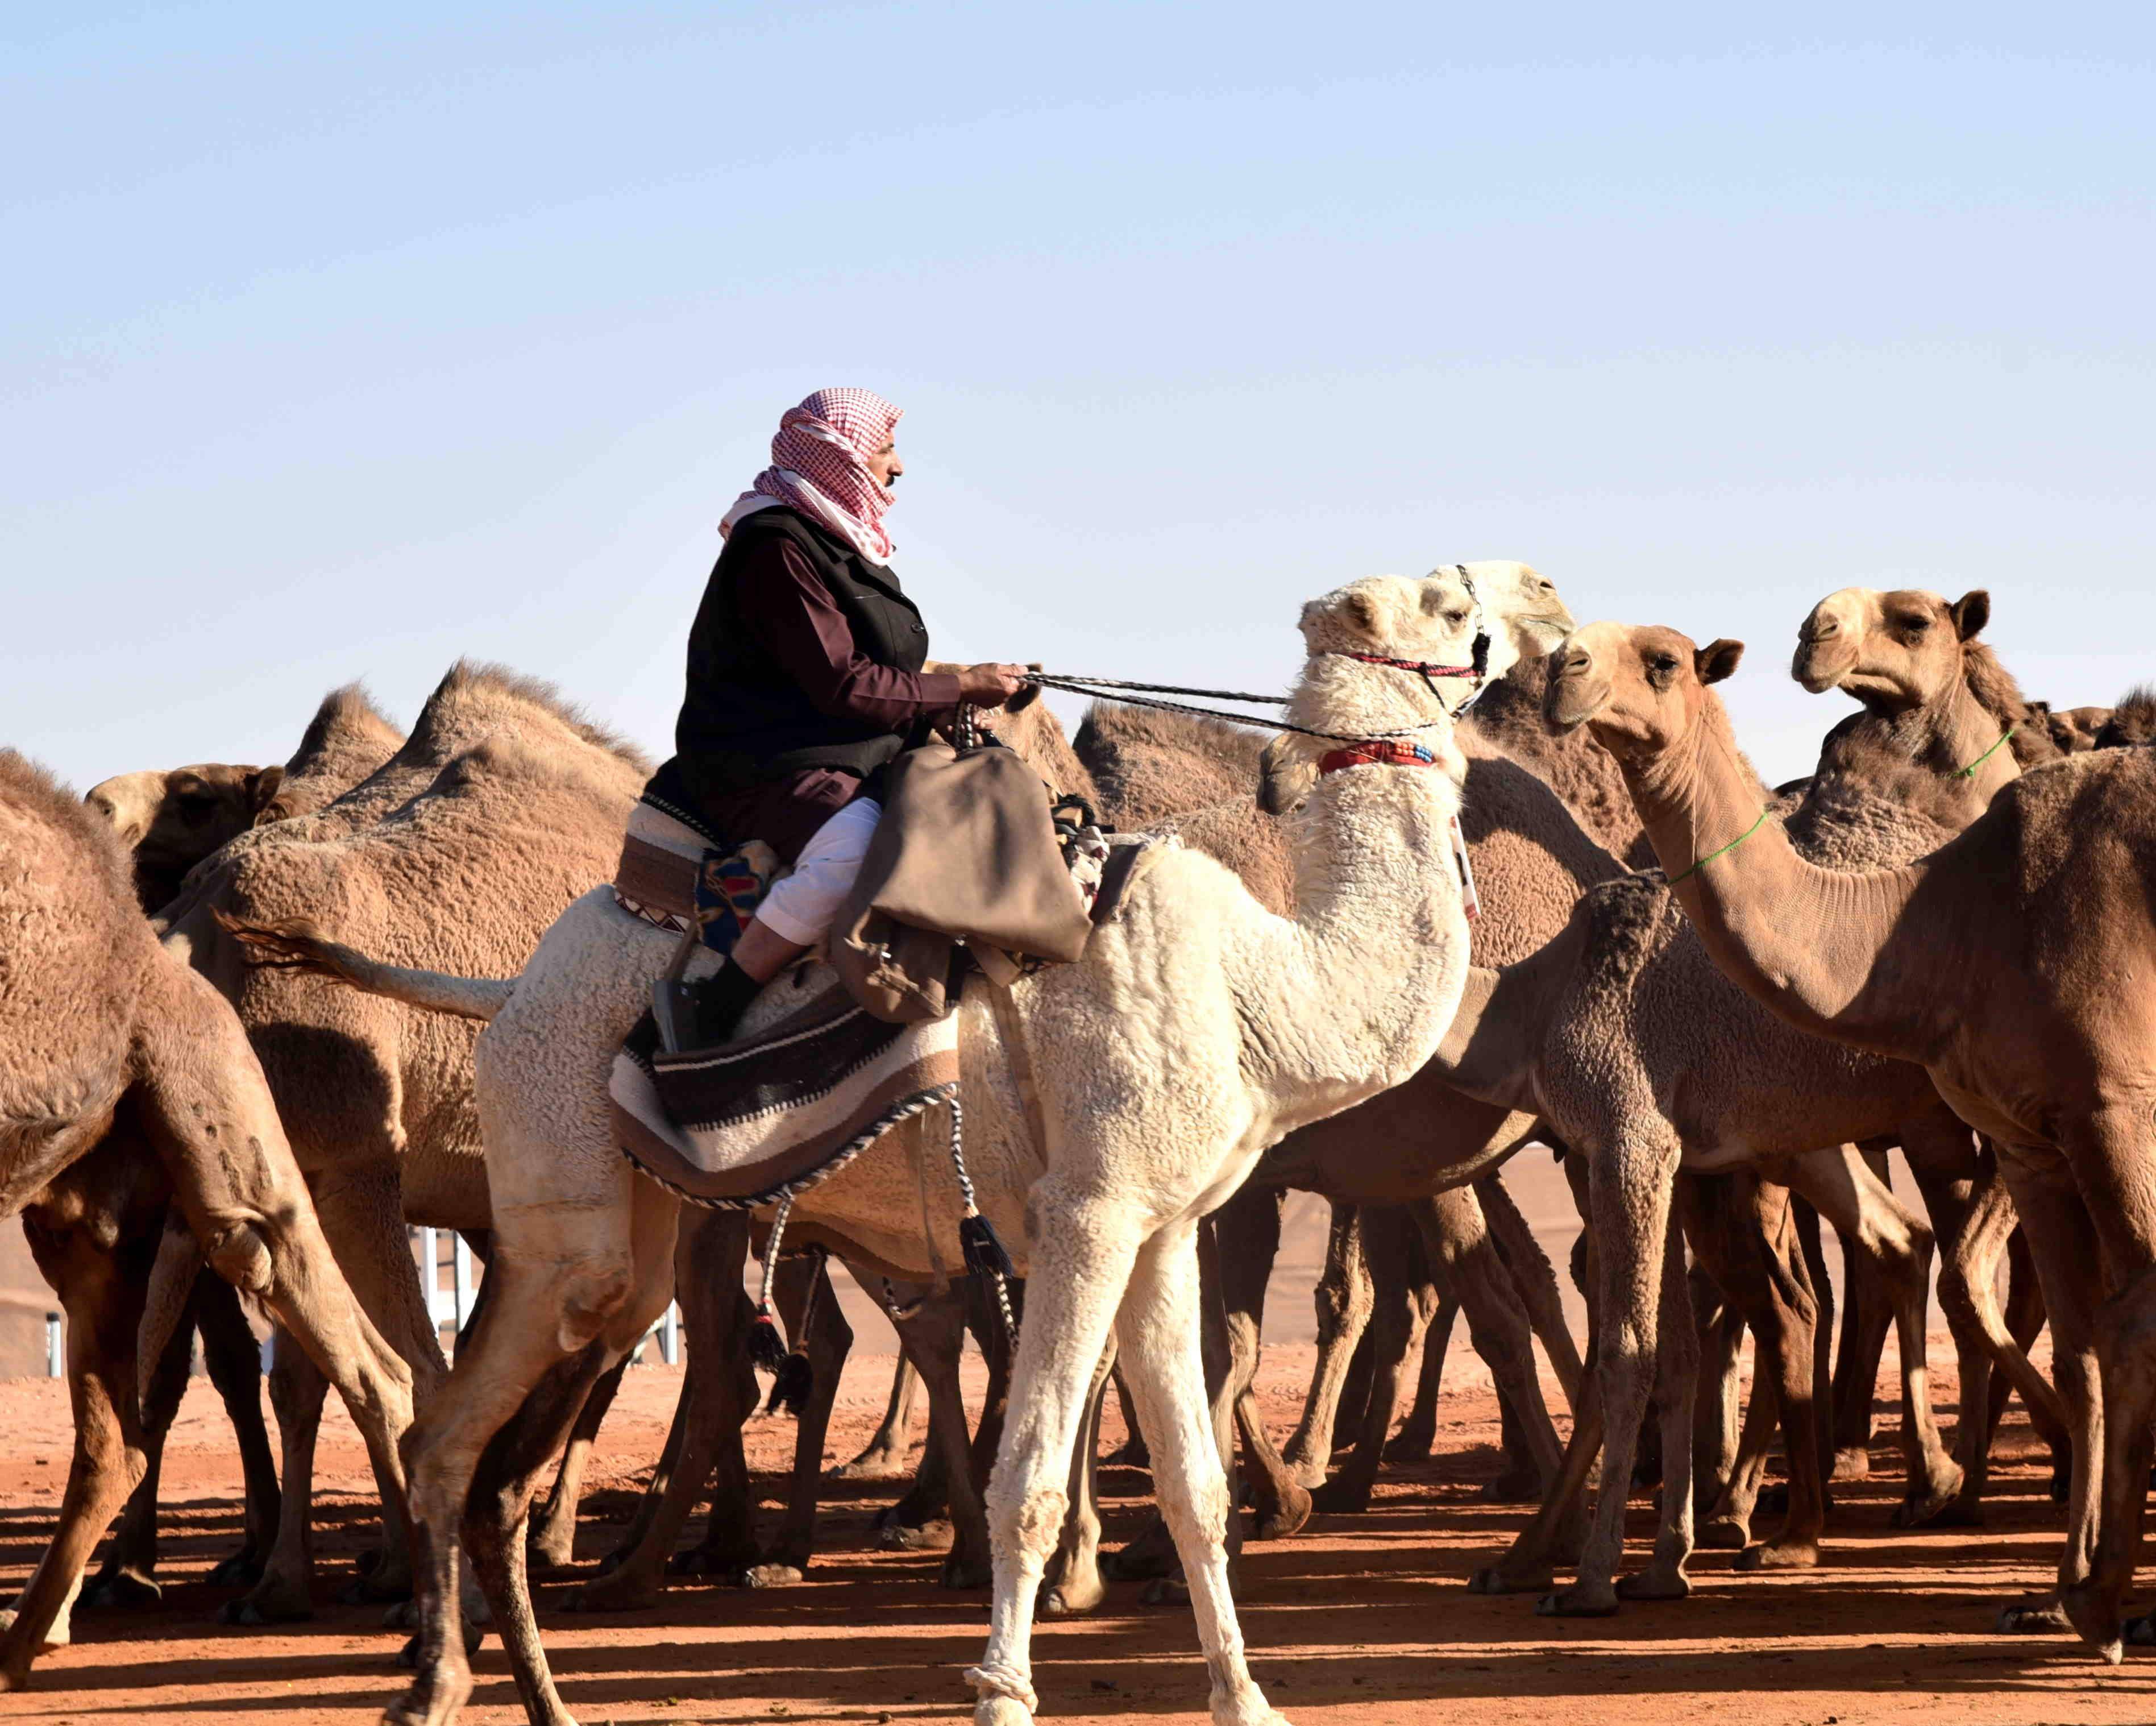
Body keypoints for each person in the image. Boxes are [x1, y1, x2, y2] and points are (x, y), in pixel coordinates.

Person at [639, 387, 1026, 1044]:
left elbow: (879, 667)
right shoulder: (776, 547)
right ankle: (713, 1006)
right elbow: (842, 685)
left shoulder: (839, 542)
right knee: (857, 852)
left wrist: (940, 713)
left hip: (850, 747)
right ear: (838, 458)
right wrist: (958, 687)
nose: (898, 466)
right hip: (769, 761)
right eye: (884, 449)